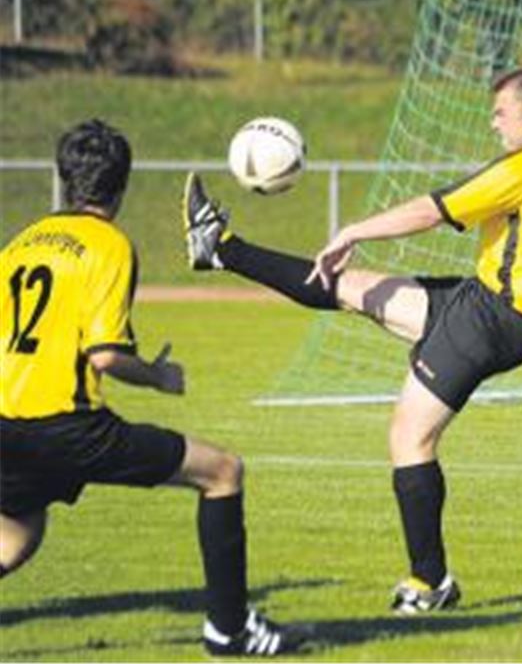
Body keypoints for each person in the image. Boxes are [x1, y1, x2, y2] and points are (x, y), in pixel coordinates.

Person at [181, 66, 522, 613]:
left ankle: (429, 582)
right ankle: (218, 246)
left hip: (490, 316)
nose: (495, 124)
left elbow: (432, 210)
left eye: (501, 112)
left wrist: (352, 230)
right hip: (495, 309)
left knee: (409, 439)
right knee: (350, 288)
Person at [0, 120, 300, 656]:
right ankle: (230, 630)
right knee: (223, 472)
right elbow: (107, 356)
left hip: (5, 425)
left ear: (64, 179)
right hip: (68, 426)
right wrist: (159, 376)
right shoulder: (109, 245)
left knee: (17, 535)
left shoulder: (20, 245)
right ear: (121, 186)